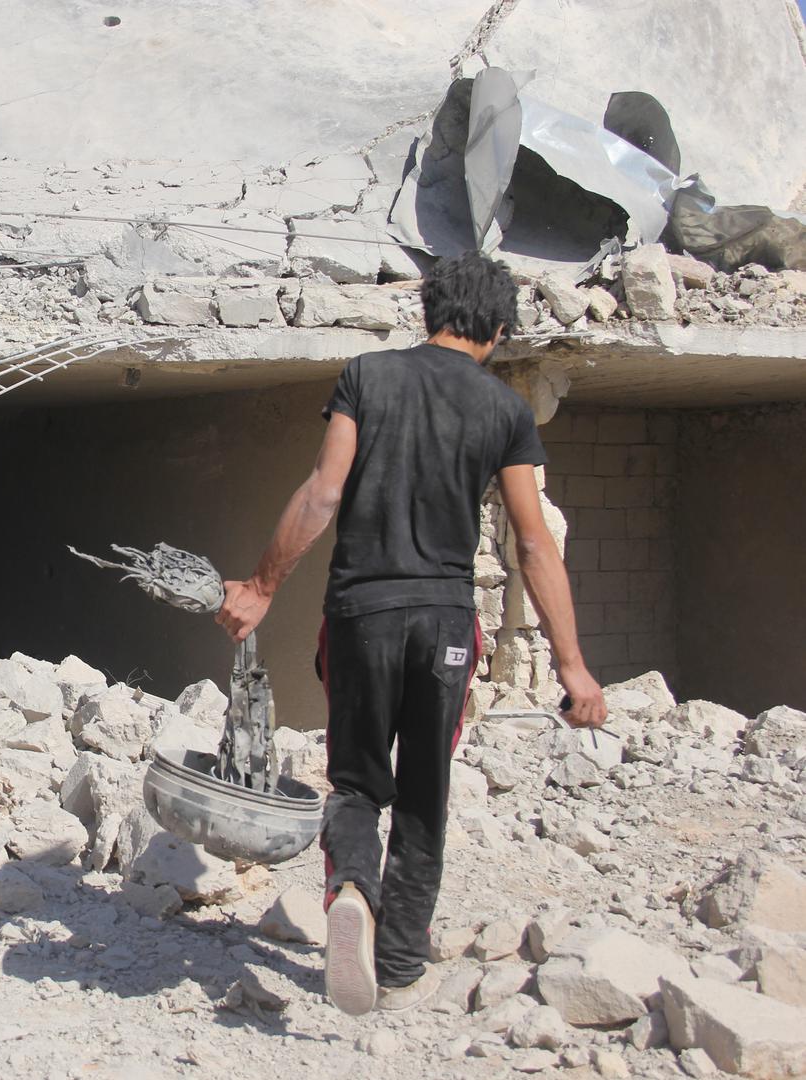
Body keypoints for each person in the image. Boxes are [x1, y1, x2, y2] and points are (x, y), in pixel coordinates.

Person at [214, 251, 607, 1017]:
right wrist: (573, 667)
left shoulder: (368, 375)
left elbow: (324, 491)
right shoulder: (504, 411)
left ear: (428, 313)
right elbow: (532, 544)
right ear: (495, 331)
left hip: (360, 614)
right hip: (446, 626)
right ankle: (397, 968)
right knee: (424, 793)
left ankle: (352, 891)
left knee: (357, 780)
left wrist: (261, 587)